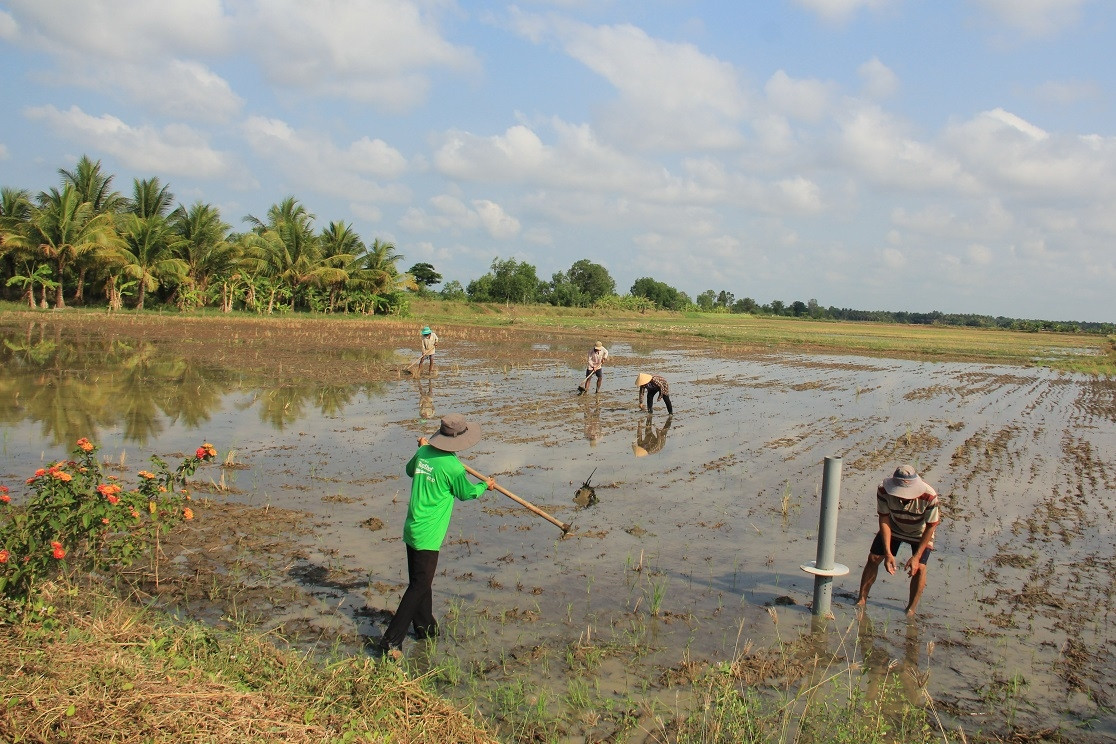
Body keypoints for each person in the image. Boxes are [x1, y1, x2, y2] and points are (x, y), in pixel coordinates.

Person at [379, 414, 495, 659]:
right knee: (419, 585)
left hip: (412, 526)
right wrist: (486, 485)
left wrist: (423, 451)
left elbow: (410, 470)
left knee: (422, 581)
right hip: (428, 534)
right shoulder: (452, 467)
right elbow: (466, 493)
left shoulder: (424, 454)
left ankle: (425, 629)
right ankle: (391, 640)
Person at [855, 464, 941, 617]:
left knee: (920, 568)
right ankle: (861, 599)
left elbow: (930, 527)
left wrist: (916, 557)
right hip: (894, 527)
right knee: (874, 558)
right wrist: (888, 553)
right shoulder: (883, 490)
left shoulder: (930, 496)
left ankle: (911, 609)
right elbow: (884, 519)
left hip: (920, 533)